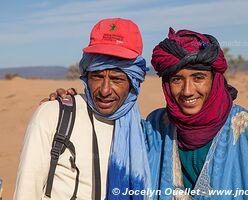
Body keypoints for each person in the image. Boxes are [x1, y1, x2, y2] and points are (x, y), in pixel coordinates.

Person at [144, 27, 248, 199]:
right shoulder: (157, 126)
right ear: (166, 84)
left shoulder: (246, 127)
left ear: (214, 80)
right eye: (176, 80)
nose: (187, 91)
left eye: (198, 78)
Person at [14, 18, 152, 200]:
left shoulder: (145, 133)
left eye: (117, 79)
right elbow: (26, 191)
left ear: (133, 83)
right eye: (97, 76)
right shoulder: (53, 115)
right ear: (86, 76)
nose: (104, 90)